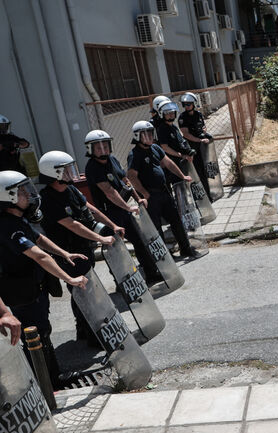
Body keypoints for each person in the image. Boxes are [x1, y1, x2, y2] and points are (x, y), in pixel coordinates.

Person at [0, 170, 88, 388]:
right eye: (21, 192)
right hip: (23, 293)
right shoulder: (6, 226)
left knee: (43, 332)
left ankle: (53, 377)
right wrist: (70, 278)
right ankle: (44, 384)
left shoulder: (17, 219)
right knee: (34, 338)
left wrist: (64, 253)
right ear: (8, 196)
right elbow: (38, 254)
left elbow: (39, 238)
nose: (28, 195)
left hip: (34, 288)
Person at [38, 151, 122, 346]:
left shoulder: (71, 189)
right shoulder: (48, 198)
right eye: (65, 169)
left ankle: (84, 330)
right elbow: (73, 225)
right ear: (54, 173)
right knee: (83, 293)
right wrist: (101, 237)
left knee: (86, 291)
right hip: (69, 254)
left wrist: (112, 225)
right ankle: (92, 335)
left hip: (84, 249)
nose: (70, 172)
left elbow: (90, 209)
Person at [83, 129, 158, 283]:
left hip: (123, 210)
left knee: (139, 240)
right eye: (98, 147)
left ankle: (151, 273)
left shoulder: (113, 159)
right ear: (91, 150)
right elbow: (109, 192)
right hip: (109, 213)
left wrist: (138, 199)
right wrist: (128, 207)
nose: (103, 150)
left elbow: (126, 181)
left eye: (105, 146)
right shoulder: (92, 167)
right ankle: (122, 281)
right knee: (116, 249)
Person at [125, 120, 197, 258]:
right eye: (145, 135)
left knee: (176, 220)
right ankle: (165, 256)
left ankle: (185, 248)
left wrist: (182, 176)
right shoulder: (134, 154)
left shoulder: (156, 148)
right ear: (137, 137)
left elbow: (168, 163)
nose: (149, 137)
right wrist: (144, 193)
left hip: (164, 191)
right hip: (150, 196)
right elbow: (132, 176)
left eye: (150, 134)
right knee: (157, 227)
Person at [178, 92, 213, 198]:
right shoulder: (182, 117)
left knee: (205, 169)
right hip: (192, 147)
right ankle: (199, 196)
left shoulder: (199, 114)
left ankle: (208, 193)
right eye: (185, 104)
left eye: (189, 104)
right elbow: (186, 134)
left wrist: (203, 134)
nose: (187, 106)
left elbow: (203, 126)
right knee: (196, 171)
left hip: (201, 146)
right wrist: (199, 140)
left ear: (194, 103)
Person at [155, 101, 196, 188]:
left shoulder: (174, 127)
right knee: (179, 187)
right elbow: (165, 147)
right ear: (162, 114)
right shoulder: (162, 129)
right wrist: (180, 155)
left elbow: (182, 141)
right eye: (168, 113)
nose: (171, 115)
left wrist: (188, 152)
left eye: (172, 112)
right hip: (171, 164)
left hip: (180, 162)